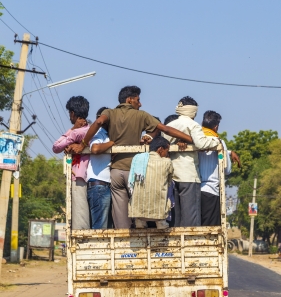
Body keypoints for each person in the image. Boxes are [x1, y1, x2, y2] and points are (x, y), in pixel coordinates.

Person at [67, 85, 194, 229]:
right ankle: (142, 229)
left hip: (115, 172)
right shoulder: (141, 115)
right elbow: (165, 129)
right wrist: (190, 139)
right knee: (139, 204)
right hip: (135, 171)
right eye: (138, 100)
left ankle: (124, 245)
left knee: (121, 215)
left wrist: (83, 143)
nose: (140, 104)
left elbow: (98, 122)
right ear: (129, 99)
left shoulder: (110, 113)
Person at [164, 96, 219, 227]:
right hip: (189, 175)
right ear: (193, 111)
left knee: (175, 215)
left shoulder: (169, 126)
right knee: (190, 217)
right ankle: (189, 245)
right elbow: (201, 143)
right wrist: (216, 141)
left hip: (171, 174)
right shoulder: (193, 125)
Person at [52, 96, 90, 230]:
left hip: (78, 175)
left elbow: (56, 147)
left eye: (70, 114)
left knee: (79, 212)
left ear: (73, 113)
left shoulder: (77, 132)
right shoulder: (91, 130)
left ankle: (81, 240)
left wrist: (72, 130)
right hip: (91, 175)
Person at [128, 136, 173, 229]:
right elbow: (169, 181)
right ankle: (161, 222)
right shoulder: (167, 162)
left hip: (137, 212)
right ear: (160, 149)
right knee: (166, 189)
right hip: (158, 213)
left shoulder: (137, 158)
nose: (167, 153)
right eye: (167, 151)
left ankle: (139, 222)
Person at [199, 111, 232, 226]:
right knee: (210, 230)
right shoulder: (220, 142)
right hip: (211, 191)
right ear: (216, 127)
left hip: (193, 191)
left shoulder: (195, 140)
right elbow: (227, 169)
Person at [86, 107, 114, 229]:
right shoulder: (100, 133)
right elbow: (95, 149)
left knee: (103, 227)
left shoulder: (107, 134)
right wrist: (112, 143)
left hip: (103, 186)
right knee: (99, 229)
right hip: (99, 186)